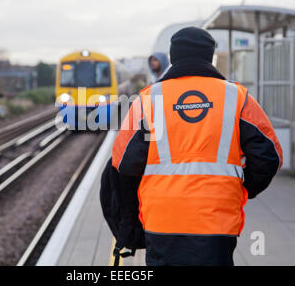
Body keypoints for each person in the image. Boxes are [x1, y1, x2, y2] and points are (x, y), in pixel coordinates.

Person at [102, 26, 283, 266]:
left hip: (161, 223)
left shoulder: (148, 100)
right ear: (210, 56)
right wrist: (243, 187)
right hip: (218, 224)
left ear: (173, 56)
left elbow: (123, 161)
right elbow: (270, 156)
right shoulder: (236, 97)